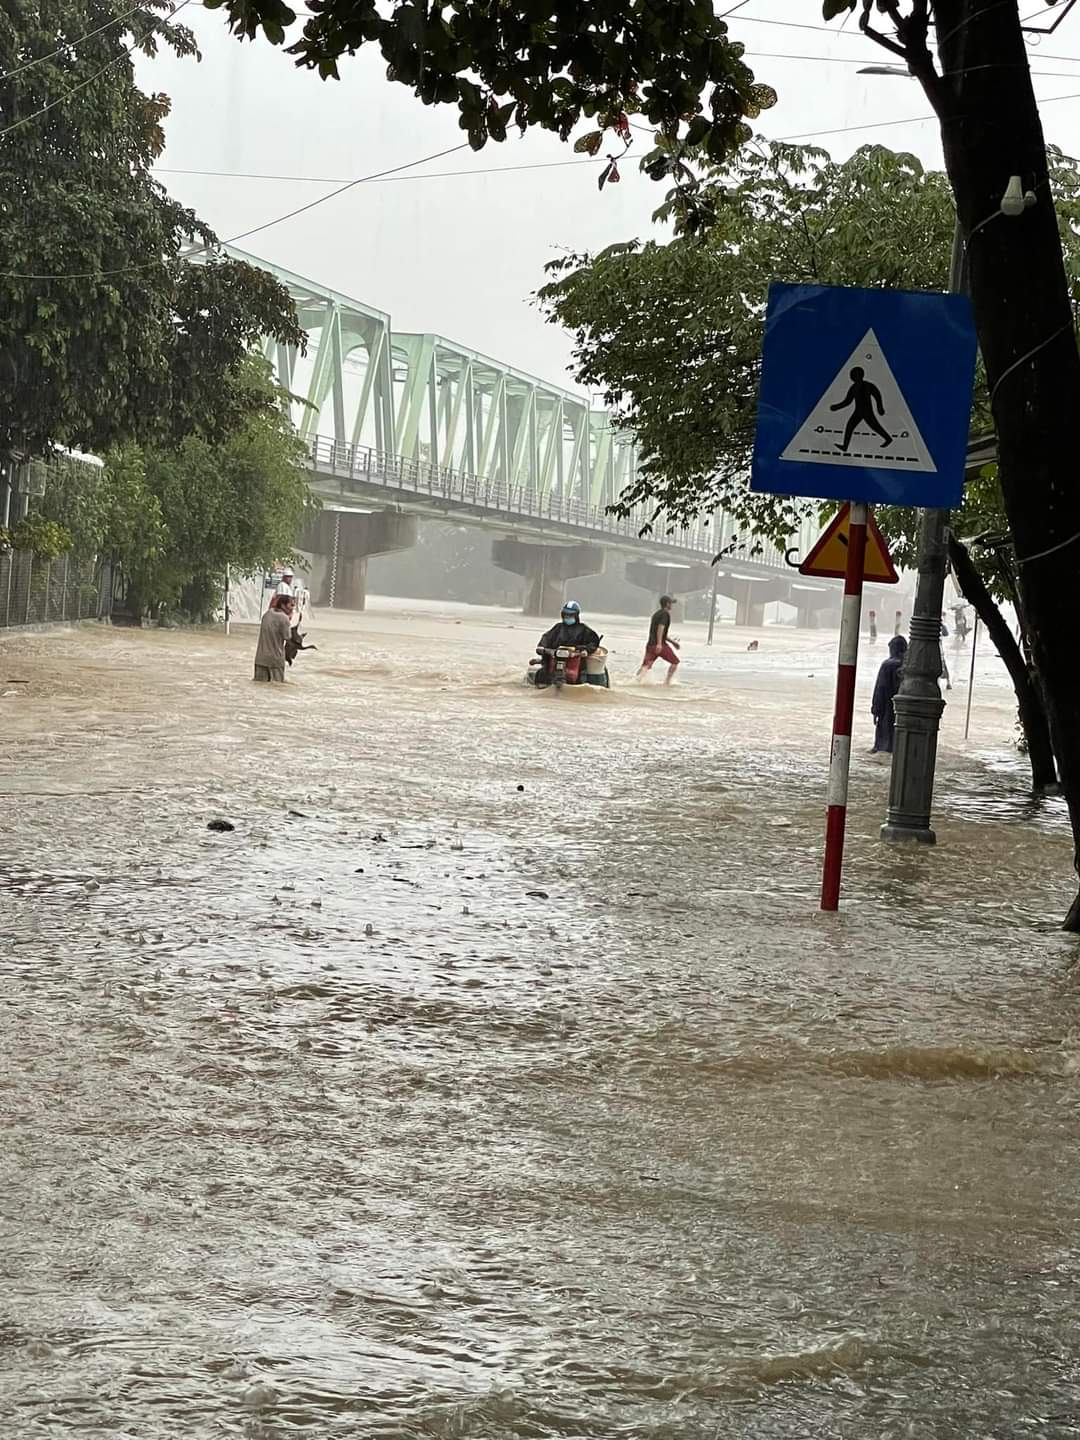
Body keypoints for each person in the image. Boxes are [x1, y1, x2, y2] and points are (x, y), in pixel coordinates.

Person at [534, 601, 600, 684]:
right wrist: (541, 646)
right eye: (566, 614)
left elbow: (593, 642)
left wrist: (586, 650)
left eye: (570, 615)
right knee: (541, 675)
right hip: (555, 657)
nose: (567, 617)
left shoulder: (583, 629)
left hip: (575, 659)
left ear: (576, 616)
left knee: (582, 678)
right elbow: (547, 637)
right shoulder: (558, 628)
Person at [871, 635, 907, 753]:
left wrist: (876, 710)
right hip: (903, 712)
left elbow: (880, 688)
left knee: (882, 748)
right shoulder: (908, 666)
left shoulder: (887, 665)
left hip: (886, 711)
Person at [637, 594, 681, 684]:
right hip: (658, 646)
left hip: (650, 645)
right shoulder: (665, 614)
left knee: (646, 666)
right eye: (671, 603)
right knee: (675, 662)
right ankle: (667, 682)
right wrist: (659, 644)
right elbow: (660, 628)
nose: (672, 605)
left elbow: (661, 633)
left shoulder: (656, 614)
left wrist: (673, 642)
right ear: (667, 604)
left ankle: (635, 681)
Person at [254, 595, 293, 682]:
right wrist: (289, 619)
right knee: (276, 688)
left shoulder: (266, 615)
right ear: (283, 605)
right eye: (291, 605)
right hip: (275, 661)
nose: (292, 609)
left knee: (259, 687)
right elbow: (288, 637)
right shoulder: (284, 618)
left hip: (260, 659)